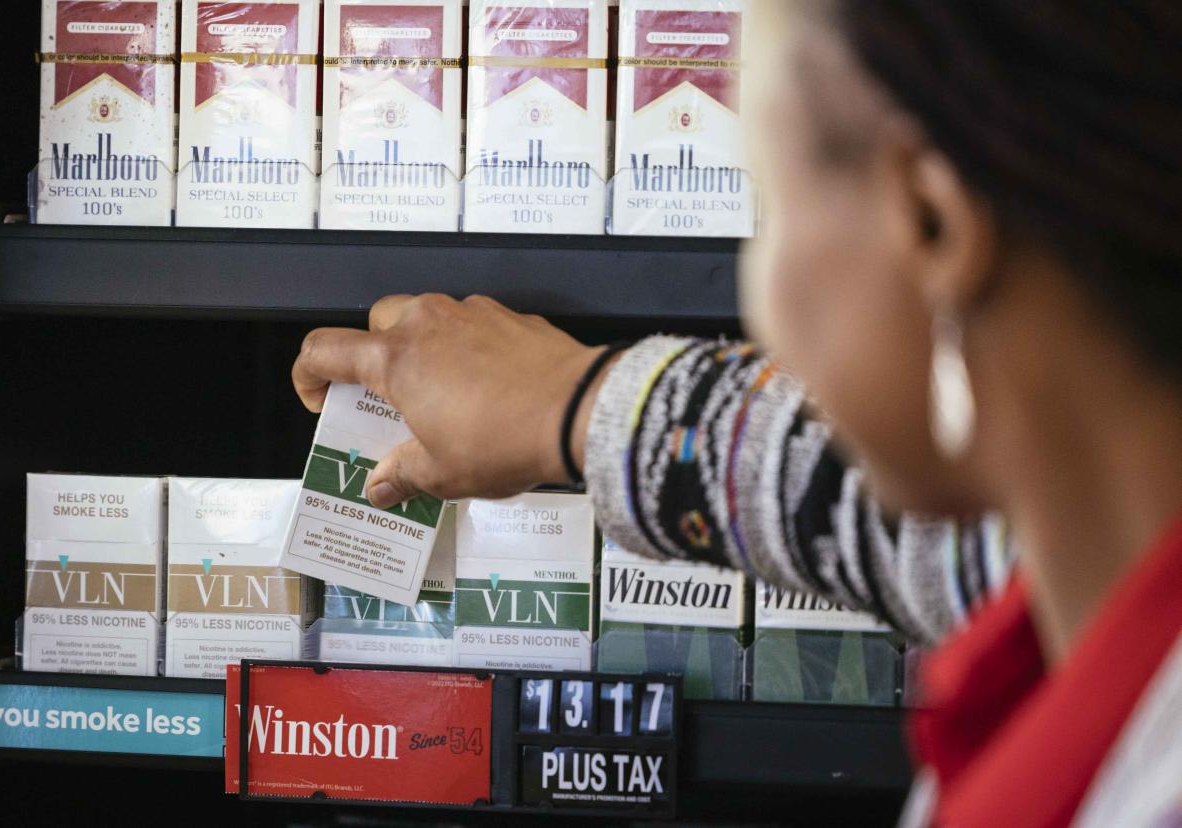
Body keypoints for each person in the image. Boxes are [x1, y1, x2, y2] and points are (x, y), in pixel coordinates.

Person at [290, 1, 1182, 825]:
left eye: (769, 199)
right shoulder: (1075, 555)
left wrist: (569, 403)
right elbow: (900, 532)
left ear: (929, 221)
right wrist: (566, 405)